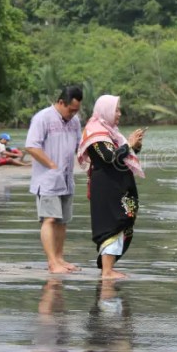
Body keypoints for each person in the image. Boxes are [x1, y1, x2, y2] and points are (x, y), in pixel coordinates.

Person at [77, 95, 145, 280]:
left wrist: (134, 146)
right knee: (112, 224)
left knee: (123, 221)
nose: (119, 114)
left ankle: (108, 268)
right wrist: (128, 145)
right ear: (105, 110)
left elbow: (121, 155)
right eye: (116, 110)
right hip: (107, 186)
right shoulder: (95, 132)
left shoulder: (110, 131)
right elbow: (109, 157)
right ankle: (107, 271)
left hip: (117, 184)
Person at [25, 86, 83, 274]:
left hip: (67, 179)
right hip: (48, 180)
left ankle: (59, 258)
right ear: (60, 103)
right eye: (70, 109)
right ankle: (52, 262)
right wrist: (51, 165)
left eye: (76, 110)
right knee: (49, 219)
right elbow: (32, 146)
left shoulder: (75, 122)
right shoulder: (43, 118)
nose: (73, 113)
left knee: (62, 220)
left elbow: (79, 146)